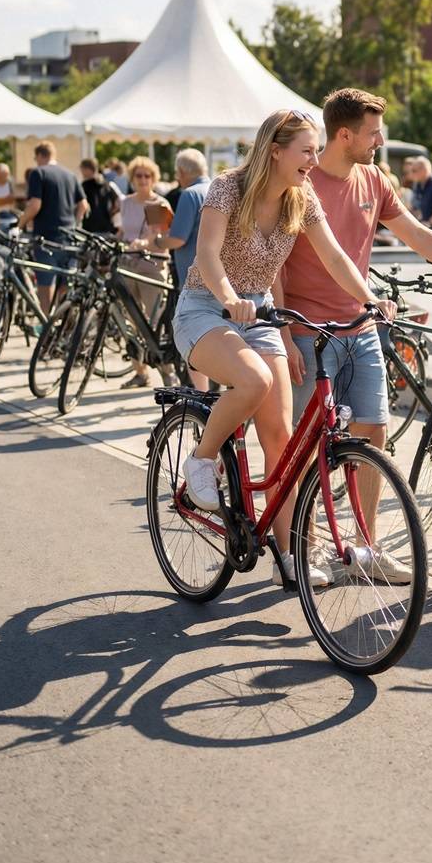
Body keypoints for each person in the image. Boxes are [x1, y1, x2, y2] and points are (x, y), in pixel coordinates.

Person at [280, 90, 432, 572]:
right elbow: (275, 262)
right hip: (306, 332)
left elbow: (418, 235)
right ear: (345, 135)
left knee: (373, 433)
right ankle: (309, 542)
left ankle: (366, 548)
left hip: (359, 327)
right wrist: (282, 332)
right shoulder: (301, 182)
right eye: (373, 132)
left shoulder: (374, 180)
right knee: (301, 443)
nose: (380, 140)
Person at [172, 108, 398, 589]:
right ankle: (202, 458)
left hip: (259, 313)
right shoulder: (228, 187)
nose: (315, 161)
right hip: (205, 308)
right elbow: (207, 253)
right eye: (307, 151)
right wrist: (230, 297)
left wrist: (369, 298)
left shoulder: (301, 197)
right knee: (253, 380)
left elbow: (333, 253)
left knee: (283, 441)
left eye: (317, 151)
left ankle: (290, 555)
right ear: (275, 150)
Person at [143, 149, 211, 392]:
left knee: (193, 340)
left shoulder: (189, 194)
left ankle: (201, 396)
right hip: (219, 275)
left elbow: (178, 239)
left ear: (182, 172)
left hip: (192, 277)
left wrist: (158, 242)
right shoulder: (215, 188)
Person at [117, 156, 172, 389]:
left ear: (153, 178)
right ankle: (140, 371)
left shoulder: (159, 203)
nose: (142, 179)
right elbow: (122, 230)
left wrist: (142, 243)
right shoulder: (126, 202)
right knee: (128, 320)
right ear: (132, 178)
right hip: (128, 264)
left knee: (153, 321)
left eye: (147, 176)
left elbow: (157, 234)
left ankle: (168, 374)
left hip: (151, 266)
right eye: (138, 175)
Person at [18, 142, 88, 314]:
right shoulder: (70, 175)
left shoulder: (38, 173)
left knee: (45, 282)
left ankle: (46, 324)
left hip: (46, 236)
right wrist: (75, 224)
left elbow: (35, 205)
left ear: (40, 156)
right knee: (64, 284)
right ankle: (61, 323)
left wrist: (18, 225)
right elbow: (83, 205)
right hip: (69, 235)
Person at [79, 158, 122, 235]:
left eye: (82, 170)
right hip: (107, 227)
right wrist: (112, 214)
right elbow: (119, 201)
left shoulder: (85, 186)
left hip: (90, 228)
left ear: (87, 169)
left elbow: (81, 205)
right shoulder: (107, 184)